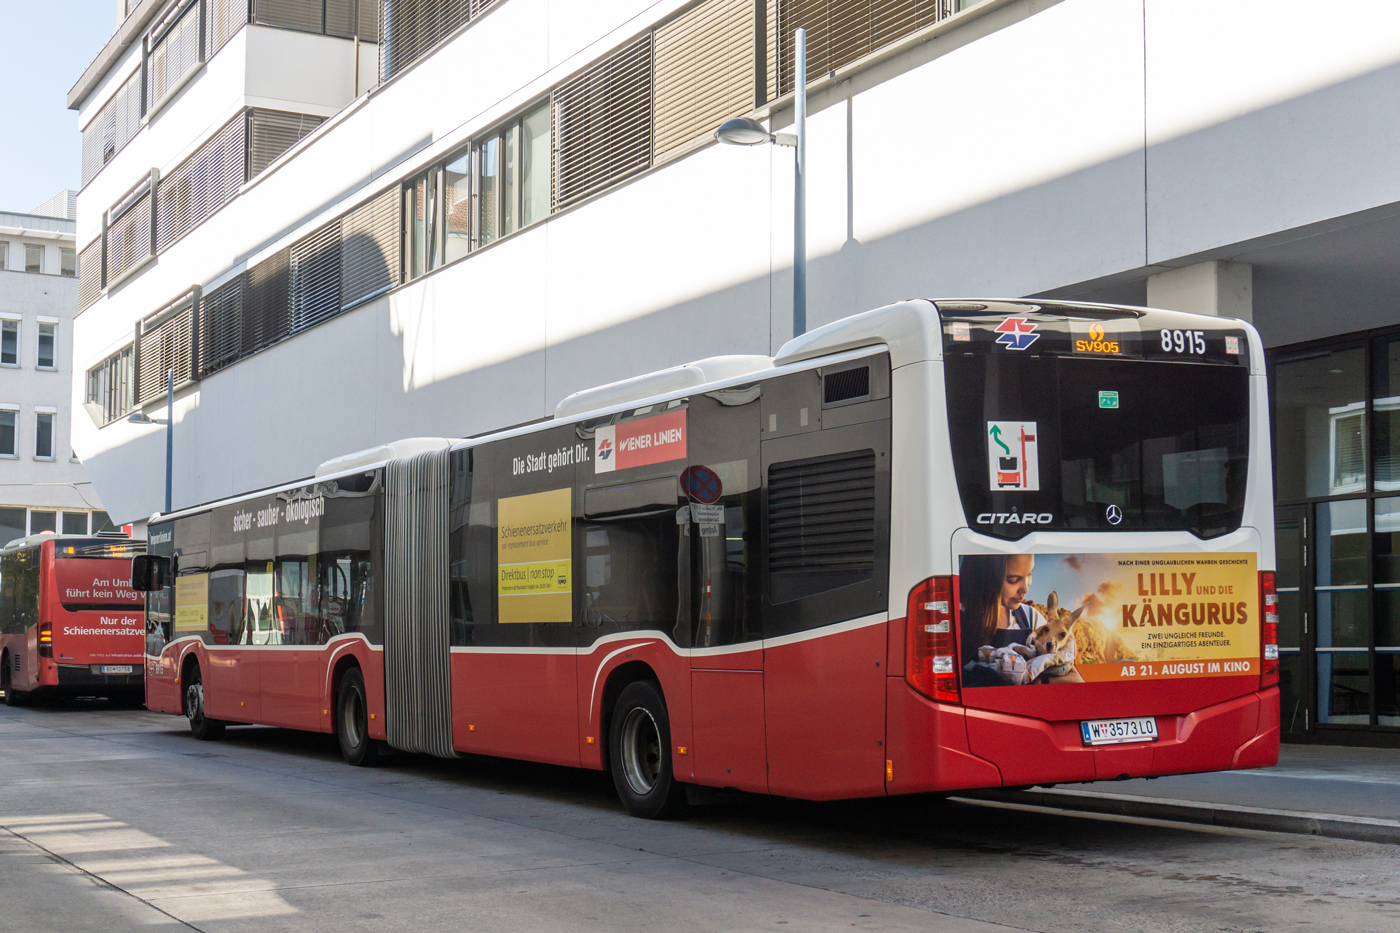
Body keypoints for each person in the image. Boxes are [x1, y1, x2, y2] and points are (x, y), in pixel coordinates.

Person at [959, 554, 1048, 686]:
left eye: (1029, 574)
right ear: (984, 576)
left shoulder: (1031, 618)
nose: (1026, 588)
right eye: (1013, 579)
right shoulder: (953, 620)